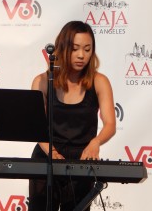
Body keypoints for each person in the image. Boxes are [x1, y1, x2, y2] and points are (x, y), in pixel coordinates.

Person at [28, 20, 116, 211]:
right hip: (46, 157)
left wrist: (96, 142)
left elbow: (110, 124)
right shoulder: (42, 81)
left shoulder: (99, 81)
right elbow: (36, 127)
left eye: (87, 49)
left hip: (82, 160)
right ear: (63, 48)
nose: (81, 55)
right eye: (75, 48)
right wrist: (50, 151)